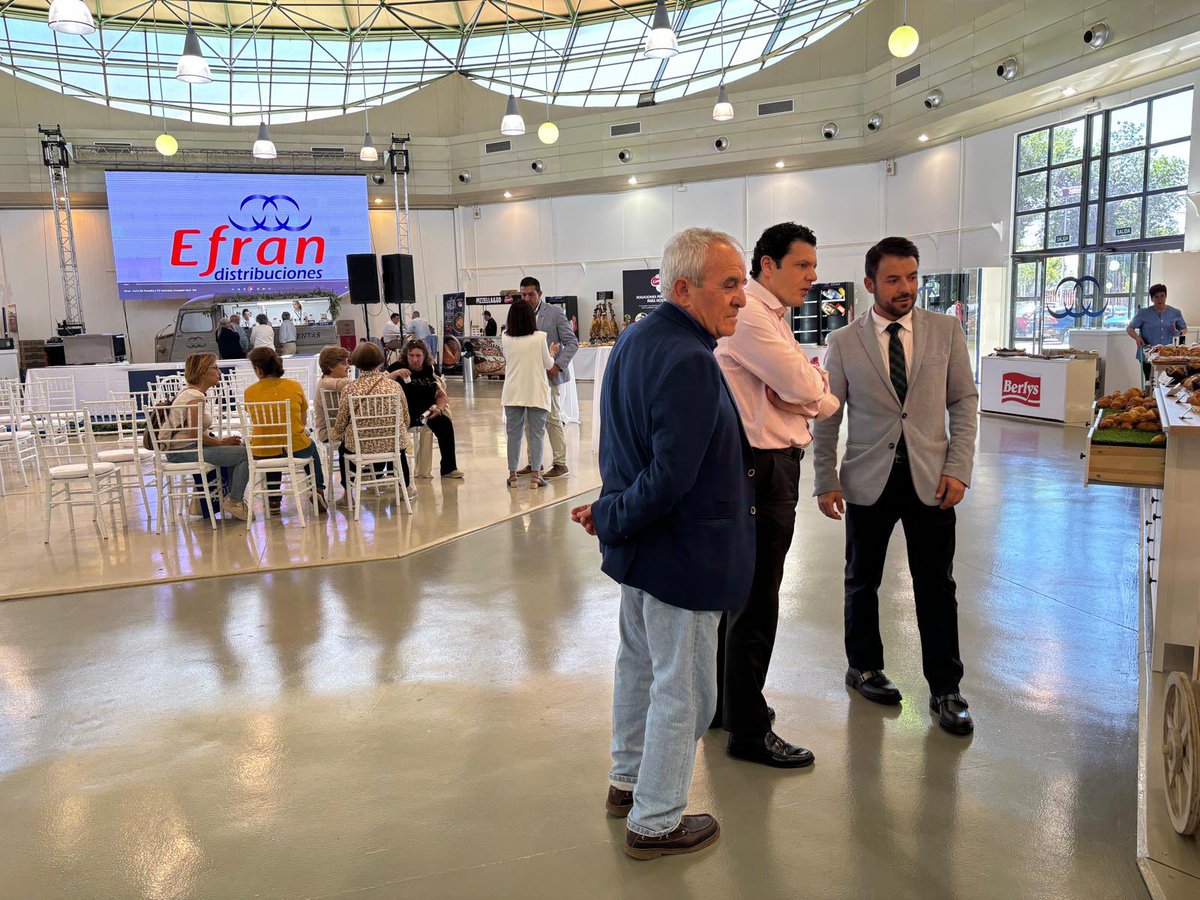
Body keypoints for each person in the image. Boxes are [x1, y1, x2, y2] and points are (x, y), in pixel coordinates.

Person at [570, 227, 754, 860]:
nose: (742, 299)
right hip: (682, 556)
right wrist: (612, 514)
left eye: (743, 284)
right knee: (688, 689)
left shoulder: (636, 340)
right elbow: (670, 478)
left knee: (639, 668)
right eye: (729, 285)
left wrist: (613, 514)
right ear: (684, 288)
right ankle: (655, 820)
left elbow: (630, 454)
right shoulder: (689, 362)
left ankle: (628, 781)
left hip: (648, 552)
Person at [811, 236, 979, 736]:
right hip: (867, 480)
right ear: (869, 284)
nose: (906, 288)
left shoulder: (946, 331)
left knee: (937, 584)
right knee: (862, 580)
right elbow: (827, 419)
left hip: (932, 480)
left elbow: (964, 403)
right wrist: (825, 478)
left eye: (911, 277)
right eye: (893, 279)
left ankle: (946, 688)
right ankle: (864, 667)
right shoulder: (843, 342)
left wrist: (959, 467)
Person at [711, 222, 839, 768]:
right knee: (757, 599)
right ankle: (746, 726)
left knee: (743, 597)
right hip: (764, 469)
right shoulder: (753, 320)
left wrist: (803, 394)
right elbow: (810, 389)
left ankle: (727, 705)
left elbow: (802, 391)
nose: (812, 277)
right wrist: (809, 395)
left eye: (813, 266)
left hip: (768, 466)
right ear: (768, 265)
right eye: (802, 265)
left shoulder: (769, 318)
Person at [162, 352, 249, 521]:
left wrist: (223, 443)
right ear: (202, 372)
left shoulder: (190, 393)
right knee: (245, 454)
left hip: (185, 448)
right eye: (215, 368)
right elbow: (194, 434)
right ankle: (234, 501)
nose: (219, 372)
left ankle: (228, 499)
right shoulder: (195, 397)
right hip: (185, 450)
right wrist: (220, 442)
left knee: (236, 449)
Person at [244, 346, 327, 513]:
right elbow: (302, 421)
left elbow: (253, 419)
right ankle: (317, 488)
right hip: (296, 446)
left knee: (271, 453)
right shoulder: (294, 386)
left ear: (258, 369)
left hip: (263, 449)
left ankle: (274, 499)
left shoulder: (249, 392)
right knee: (312, 451)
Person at [331, 342, 415, 504]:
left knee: (344, 450)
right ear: (379, 361)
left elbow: (341, 422)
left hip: (360, 446)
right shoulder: (394, 387)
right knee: (400, 449)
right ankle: (405, 487)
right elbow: (406, 418)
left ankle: (348, 494)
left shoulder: (350, 389)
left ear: (356, 362)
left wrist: (336, 433)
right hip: (391, 443)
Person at [518, 277, 578, 479]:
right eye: (523, 295)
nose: (527, 298)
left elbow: (572, 343)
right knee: (528, 421)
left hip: (549, 376)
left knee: (552, 418)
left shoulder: (554, 313)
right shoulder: (518, 315)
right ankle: (534, 463)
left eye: (531, 294)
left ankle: (560, 463)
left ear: (540, 294)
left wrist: (557, 365)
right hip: (527, 377)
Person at [501, 299, 558, 488]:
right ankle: (535, 476)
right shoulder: (540, 337)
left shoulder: (505, 337)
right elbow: (548, 364)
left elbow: (509, 359)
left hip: (512, 391)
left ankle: (512, 475)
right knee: (536, 434)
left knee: (513, 434)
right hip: (535, 390)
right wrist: (552, 352)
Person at [389, 340, 464, 479]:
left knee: (445, 424)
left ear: (424, 357)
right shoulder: (397, 367)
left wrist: (439, 409)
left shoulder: (431, 369)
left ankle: (449, 468)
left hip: (428, 411)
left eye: (418, 356)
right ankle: (394, 470)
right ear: (406, 355)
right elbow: (381, 383)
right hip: (405, 413)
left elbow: (441, 394)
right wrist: (396, 374)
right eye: (411, 355)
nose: (415, 359)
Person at [1127, 284, 1187, 381]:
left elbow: (1184, 329)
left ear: (1166, 296)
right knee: (1149, 381)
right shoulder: (1143, 313)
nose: (1160, 299)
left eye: (1162, 296)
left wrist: (1179, 333)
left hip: (1168, 356)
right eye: (1156, 297)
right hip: (1147, 353)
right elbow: (1130, 328)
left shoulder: (1175, 312)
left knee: (1167, 381)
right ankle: (1149, 395)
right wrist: (1137, 338)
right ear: (1152, 299)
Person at [314, 346, 353, 447]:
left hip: (339, 430)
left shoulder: (326, 381)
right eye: (344, 364)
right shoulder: (327, 383)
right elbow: (356, 384)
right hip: (330, 433)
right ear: (331, 367)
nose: (348, 367)